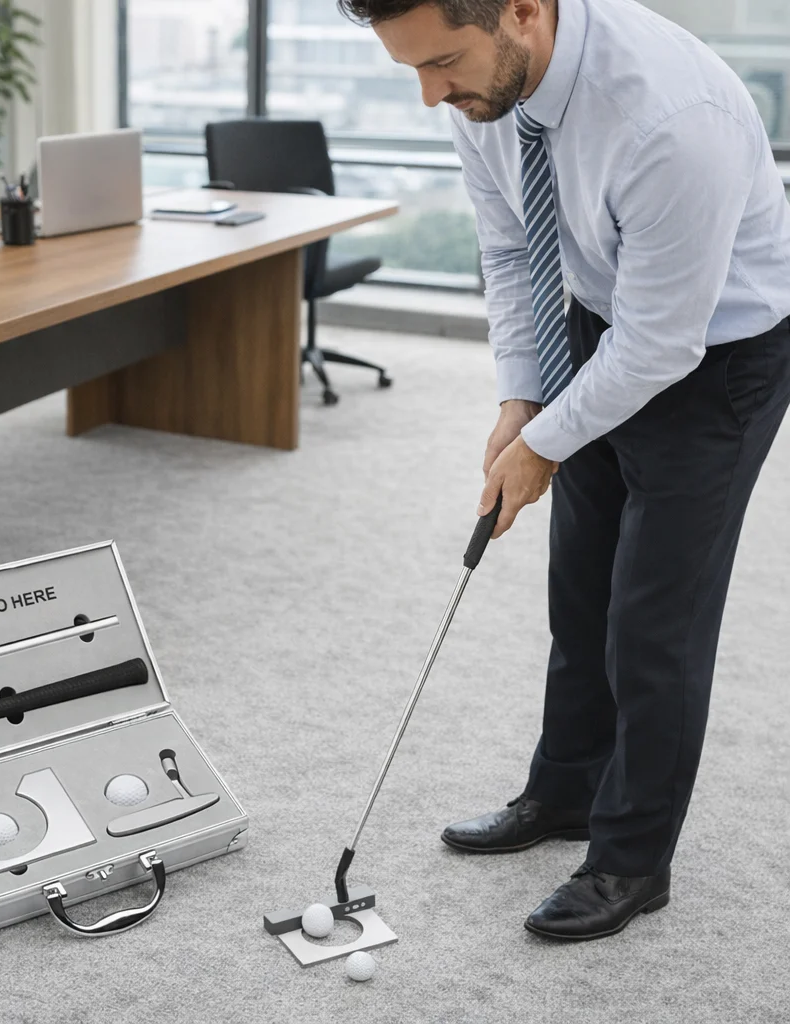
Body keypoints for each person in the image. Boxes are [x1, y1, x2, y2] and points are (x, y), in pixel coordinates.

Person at [337, 0, 790, 941]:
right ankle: (568, 791)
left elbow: (661, 343)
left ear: (523, 11)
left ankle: (632, 859)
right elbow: (511, 249)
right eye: (412, 69)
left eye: (443, 63)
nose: (429, 94)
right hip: (592, 316)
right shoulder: (482, 93)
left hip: (717, 355)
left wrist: (545, 445)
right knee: (580, 587)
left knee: (654, 622)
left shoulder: (675, 118)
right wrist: (523, 396)